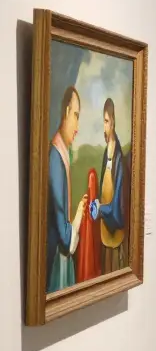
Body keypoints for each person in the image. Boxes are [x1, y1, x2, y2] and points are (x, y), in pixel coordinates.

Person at [47, 86, 89, 291]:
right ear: (65, 113)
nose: (78, 126)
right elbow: (65, 239)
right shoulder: (55, 158)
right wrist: (80, 214)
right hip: (56, 266)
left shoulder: (61, 154)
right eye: (76, 115)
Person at [95, 97, 130, 274]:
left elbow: (118, 211)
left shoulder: (118, 160)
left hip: (116, 240)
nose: (104, 127)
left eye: (107, 121)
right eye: (103, 121)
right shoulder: (105, 155)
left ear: (113, 122)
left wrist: (101, 210)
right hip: (104, 236)